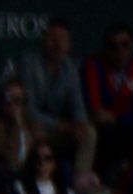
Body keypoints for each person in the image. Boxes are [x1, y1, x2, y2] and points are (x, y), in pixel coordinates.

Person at [21, 19, 95, 176]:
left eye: (63, 40)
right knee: (36, 132)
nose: (58, 44)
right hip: (33, 126)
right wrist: (59, 125)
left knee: (89, 133)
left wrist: (80, 123)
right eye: (53, 39)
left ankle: (79, 181)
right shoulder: (29, 63)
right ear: (43, 41)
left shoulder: (70, 68)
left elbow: (78, 106)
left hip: (58, 130)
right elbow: (27, 109)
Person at [82, 24, 133, 173]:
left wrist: (116, 117)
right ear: (106, 48)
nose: (120, 51)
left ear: (132, 46)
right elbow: (95, 109)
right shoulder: (94, 65)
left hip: (127, 126)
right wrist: (117, 117)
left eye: (124, 45)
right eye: (114, 46)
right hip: (104, 129)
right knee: (106, 132)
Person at [0, 79, 45, 177]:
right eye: (9, 99)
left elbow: (41, 149)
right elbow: (9, 156)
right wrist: (16, 126)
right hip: (5, 174)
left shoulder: (34, 125)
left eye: (17, 100)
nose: (13, 105)